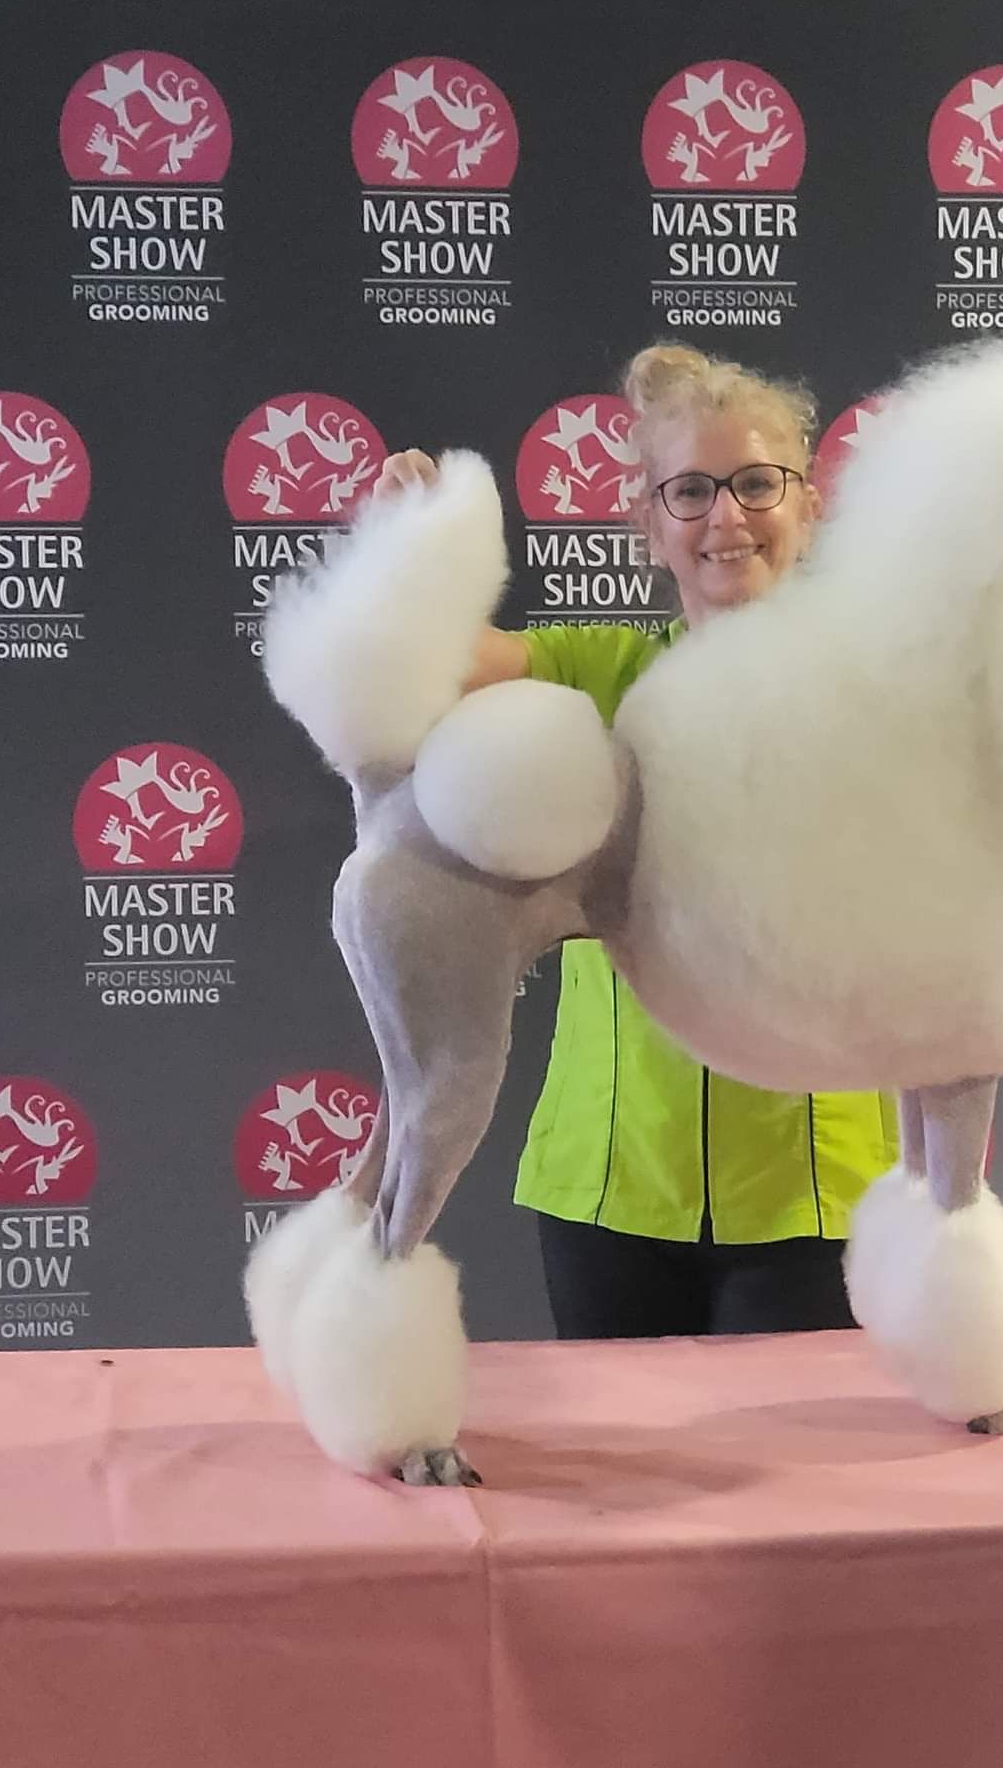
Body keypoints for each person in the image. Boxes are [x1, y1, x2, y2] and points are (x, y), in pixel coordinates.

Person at [373, 346, 897, 1340]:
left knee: (805, 1500)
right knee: (623, 1497)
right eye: (689, 490)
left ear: (808, 503)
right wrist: (411, 545)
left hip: (823, 1191)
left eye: (755, 482)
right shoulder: (591, 668)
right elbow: (421, 664)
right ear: (649, 522)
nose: (726, 518)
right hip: (602, 1186)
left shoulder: (881, 688)